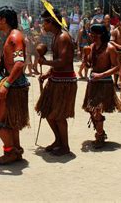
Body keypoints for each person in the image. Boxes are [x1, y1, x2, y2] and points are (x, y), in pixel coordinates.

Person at [0, 6, 30, 164]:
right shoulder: (11, 36)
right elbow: (10, 65)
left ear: (4, 20)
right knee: (13, 121)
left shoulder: (15, 37)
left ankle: (10, 152)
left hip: (14, 85)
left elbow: (19, 64)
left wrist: (7, 84)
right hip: (14, 83)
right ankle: (16, 150)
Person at [36, 9, 77, 156]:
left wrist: (45, 62)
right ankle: (58, 140)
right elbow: (58, 62)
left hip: (65, 81)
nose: (42, 25)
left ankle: (65, 146)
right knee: (46, 111)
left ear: (50, 22)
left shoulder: (63, 37)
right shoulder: (55, 37)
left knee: (59, 115)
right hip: (56, 78)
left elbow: (64, 61)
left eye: (44, 22)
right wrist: (47, 74)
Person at [82, 24, 121, 148]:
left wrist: (101, 74)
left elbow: (117, 67)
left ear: (99, 34)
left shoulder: (110, 48)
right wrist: (84, 56)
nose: (90, 35)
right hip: (93, 82)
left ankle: (99, 136)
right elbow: (89, 65)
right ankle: (101, 131)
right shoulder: (92, 47)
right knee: (90, 109)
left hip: (104, 83)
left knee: (97, 110)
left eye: (92, 33)